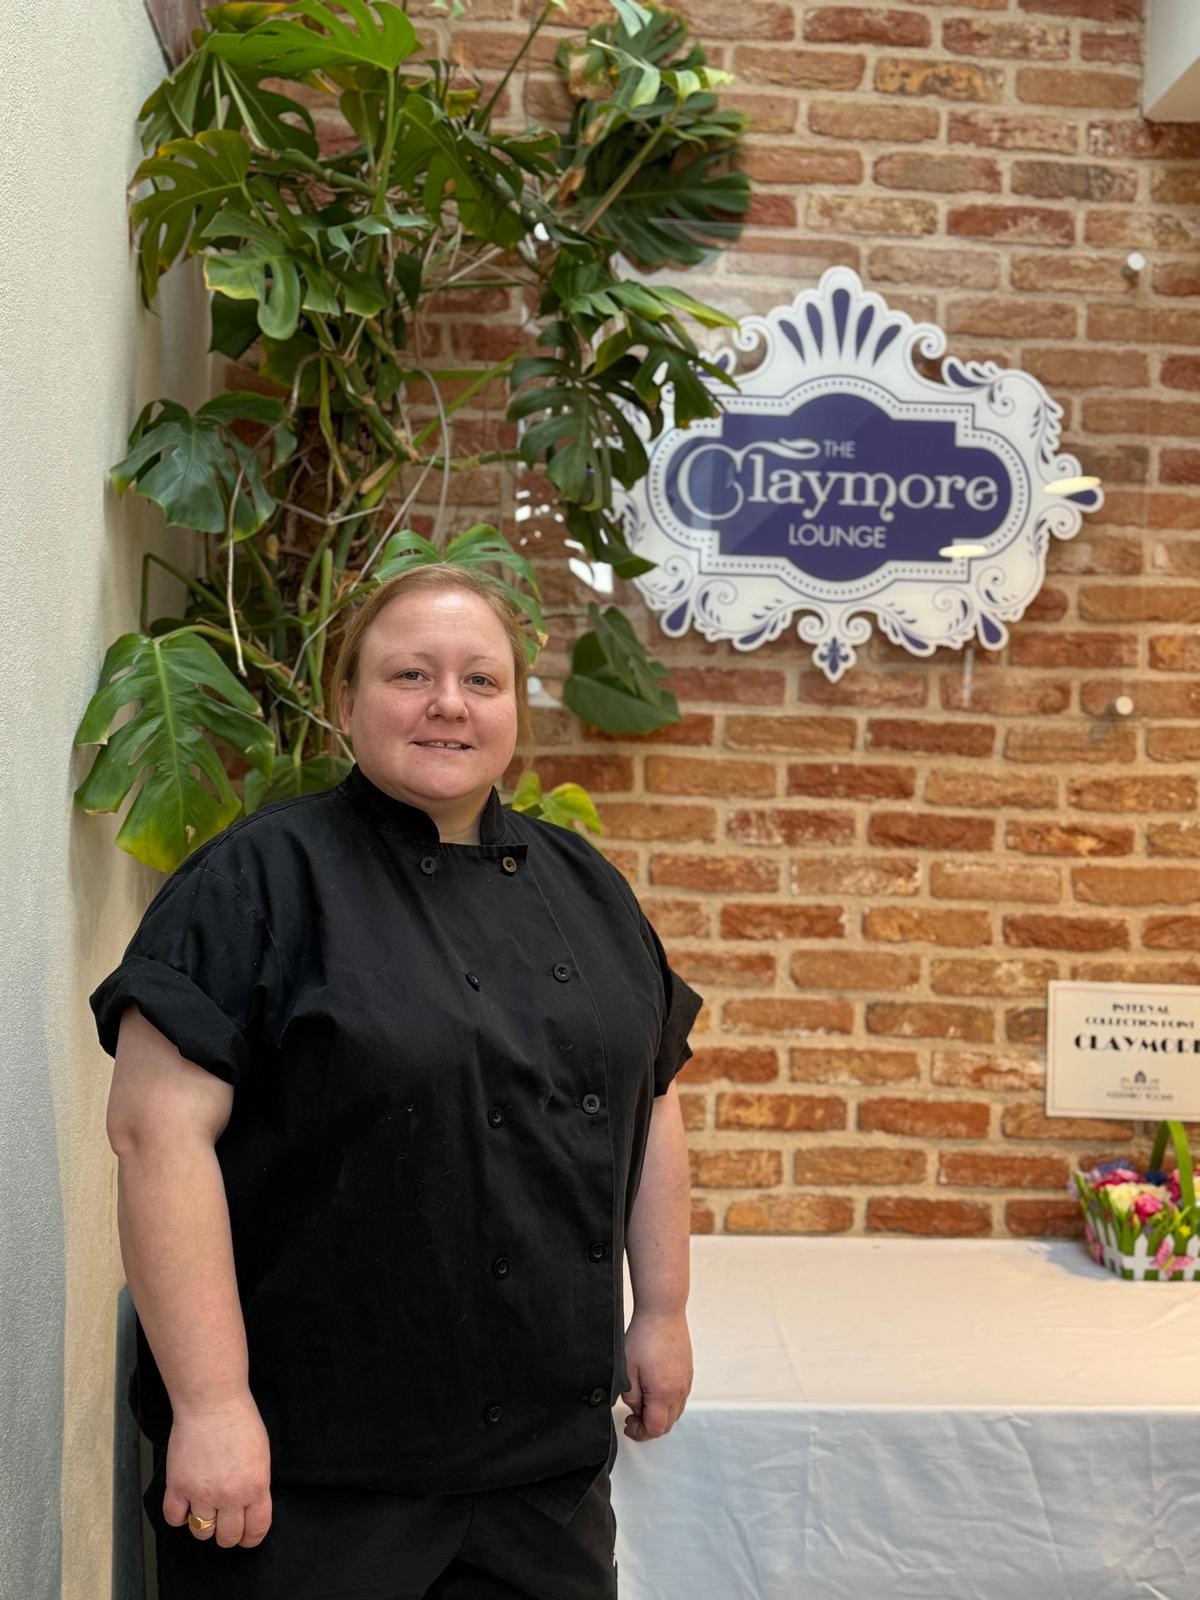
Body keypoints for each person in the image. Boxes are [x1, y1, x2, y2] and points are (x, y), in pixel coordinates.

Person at [90, 563, 704, 1599]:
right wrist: (212, 1404)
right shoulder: (257, 880)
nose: (448, 705)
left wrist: (665, 1310)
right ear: (344, 701)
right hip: (308, 1480)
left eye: (481, 679)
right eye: (409, 674)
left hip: (541, 1483)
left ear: (515, 704)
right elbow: (155, 1138)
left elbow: (651, 1096)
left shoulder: (585, 886)